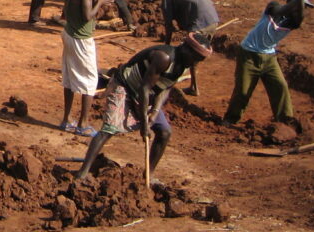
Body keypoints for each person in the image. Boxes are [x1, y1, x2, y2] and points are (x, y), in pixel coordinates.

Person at [76, 33, 213, 183]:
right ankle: (82, 173)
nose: (197, 63)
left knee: (165, 132)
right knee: (109, 129)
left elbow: (166, 88)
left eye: (200, 60)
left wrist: (154, 112)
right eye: (196, 58)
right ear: (187, 50)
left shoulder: (185, 65)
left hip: (147, 95)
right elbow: (144, 89)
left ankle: (149, 174)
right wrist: (145, 123)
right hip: (125, 86)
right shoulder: (164, 58)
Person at [221, 0, 312, 127]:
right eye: (303, 6)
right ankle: (230, 119)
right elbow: (283, 10)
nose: (304, 10)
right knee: (243, 90)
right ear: (293, 4)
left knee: (280, 87)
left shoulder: (293, 22)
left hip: (269, 58)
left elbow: (300, 18)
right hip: (248, 54)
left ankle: (285, 122)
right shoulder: (273, 7)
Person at [60, 0, 114, 136]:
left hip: (69, 33)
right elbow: (87, 16)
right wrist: (101, 2)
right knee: (90, 80)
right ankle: (83, 123)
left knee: (69, 77)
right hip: (81, 38)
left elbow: (67, 10)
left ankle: (66, 119)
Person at [154, 0, 219, 96]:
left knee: (189, 55)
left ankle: (193, 88)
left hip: (200, 24)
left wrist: (166, 48)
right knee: (195, 55)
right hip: (212, 20)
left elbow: (168, 26)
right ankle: (193, 86)